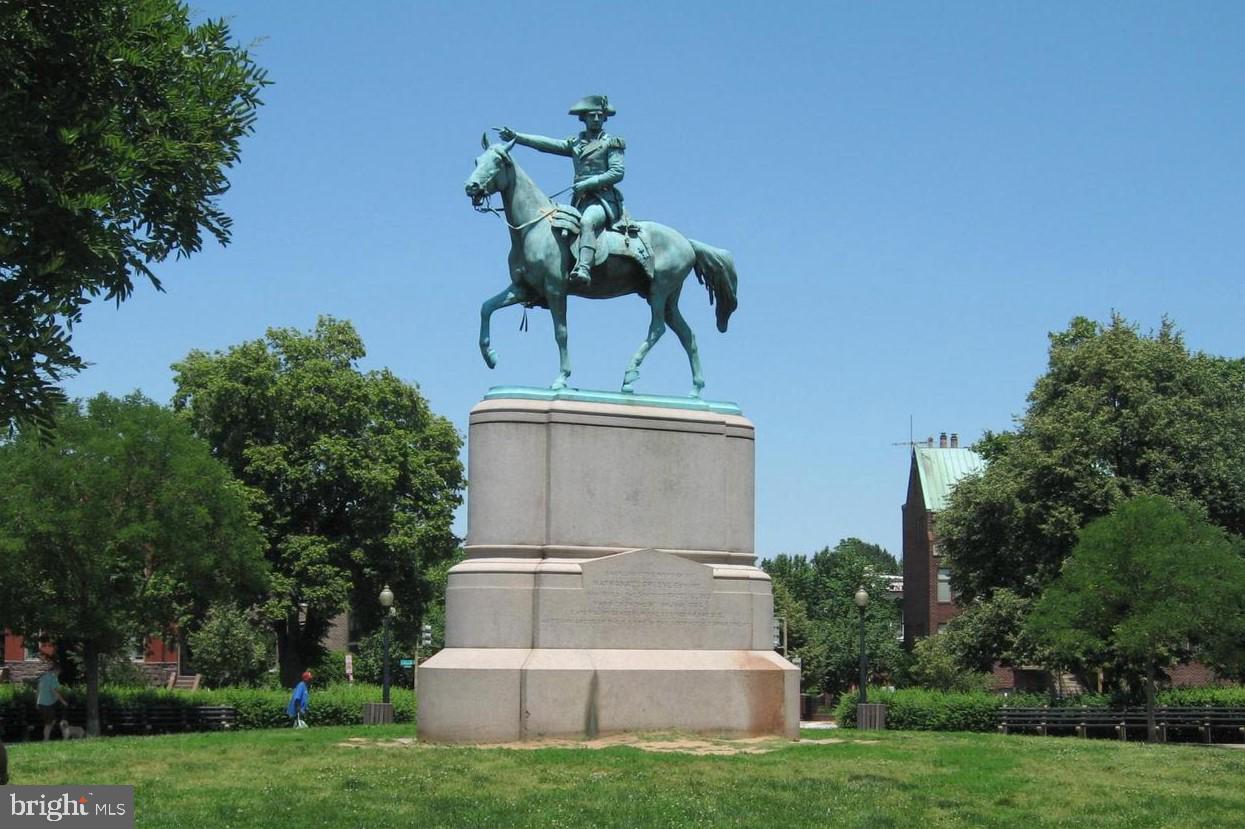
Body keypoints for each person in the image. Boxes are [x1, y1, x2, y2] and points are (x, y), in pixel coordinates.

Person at [497, 94, 625, 288]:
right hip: (580, 201)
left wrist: (589, 183)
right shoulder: (576, 144)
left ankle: (584, 268)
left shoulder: (612, 143)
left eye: (600, 115)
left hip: (604, 200)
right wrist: (518, 137)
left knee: (587, 222)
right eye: (592, 115)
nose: (596, 119)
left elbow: (617, 172)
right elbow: (546, 145)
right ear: (583, 118)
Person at [36, 662, 67, 741]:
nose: (58, 674)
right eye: (58, 673)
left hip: (41, 703)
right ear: (56, 670)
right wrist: (63, 701)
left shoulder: (43, 676)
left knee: (50, 722)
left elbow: (38, 690)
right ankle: (46, 740)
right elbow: (55, 691)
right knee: (49, 724)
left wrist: (37, 701)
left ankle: (46, 738)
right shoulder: (53, 678)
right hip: (48, 704)